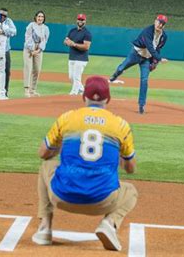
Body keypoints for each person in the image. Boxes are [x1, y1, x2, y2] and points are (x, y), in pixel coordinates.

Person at [32, 76, 138, 252]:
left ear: (84, 98)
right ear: (108, 99)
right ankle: (109, 223)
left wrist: (60, 147)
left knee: (46, 167)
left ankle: (45, 227)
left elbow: (43, 154)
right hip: (103, 201)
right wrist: (116, 154)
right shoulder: (120, 125)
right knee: (131, 191)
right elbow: (131, 168)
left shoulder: (68, 118)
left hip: (62, 197)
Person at [109, 14, 168, 114]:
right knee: (121, 68)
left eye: (162, 23)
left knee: (144, 80)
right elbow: (150, 47)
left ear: (164, 26)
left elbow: (158, 49)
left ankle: (141, 105)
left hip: (146, 59)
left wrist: (154, 62)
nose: (160, 24)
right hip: (135, 54)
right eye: (159, 22)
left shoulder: (164, 37)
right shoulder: (147, 31)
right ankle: (115, 75)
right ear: (155, 21)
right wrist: (159, 59)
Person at [63, 14, 92, 95]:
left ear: (85, 21)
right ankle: (82, 90)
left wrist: (74, 44)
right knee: (71, 77)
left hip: (81, 58)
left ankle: (73, 93)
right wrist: (66, 42)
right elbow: (66, 40)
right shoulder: (72, 31)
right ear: (77, 20)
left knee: (76, 77)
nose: (80, 21)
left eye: (82, 20)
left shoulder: (87, 33)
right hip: (72, 57)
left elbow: (86, 47)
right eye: (79, 19)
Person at [23, 10, 50, 97]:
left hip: (39, 49)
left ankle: (33, 90)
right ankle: (26, 89)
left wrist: (38, 50)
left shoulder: (45, 28)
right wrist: (32, 50)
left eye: (42, 17)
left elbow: (45, 40)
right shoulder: (31, 25)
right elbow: (27, 37)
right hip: (29, 48)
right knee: (28, 67)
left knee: (37, 69)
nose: (40, 18)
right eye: (39, 16)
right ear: (35, 17)